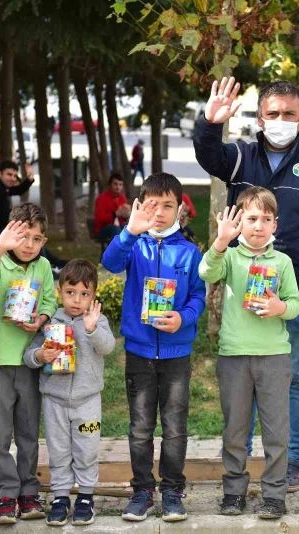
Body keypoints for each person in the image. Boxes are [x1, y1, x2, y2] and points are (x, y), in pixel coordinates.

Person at [194, 76, 299, 491]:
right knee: (243, 373)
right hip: (242, 284)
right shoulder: (240, 159)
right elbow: (208, 155)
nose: (280, 121)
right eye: (272, 114)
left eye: (289, 114)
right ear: (259, 117)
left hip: (296, 287)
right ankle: (240, 458)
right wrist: (210, 122)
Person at [101, 172, 206, 523]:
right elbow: (110, 263)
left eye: (168, 206)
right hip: (140, 353)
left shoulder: (190, 252)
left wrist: (184, 318)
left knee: (175, 427)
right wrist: (130, 230)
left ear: (180, 210)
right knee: (141, 427)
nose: (159, 212)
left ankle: (173, 490)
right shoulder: (135, 245)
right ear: (139, 206)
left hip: (177, 353)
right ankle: (142, 490)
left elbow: (197, 296)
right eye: (151, 205)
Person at [199, 187, 299, 520]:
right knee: (235, 429)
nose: (258, 226)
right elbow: (206, 273)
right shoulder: (229, 256)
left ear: (276, 224)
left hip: (274, 356)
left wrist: (279, 306)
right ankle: (233, 491)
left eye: (265, 219)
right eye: (251, 218)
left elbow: (296, 305)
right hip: (234, 355)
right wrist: (220, 242)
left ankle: (274, 494)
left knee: (276, 431)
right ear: (240, 222)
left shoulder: (282, 261)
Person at [0, 202, 57, 524]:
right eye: (23, 237)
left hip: (30, 360)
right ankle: (3, 495)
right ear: (10, 233)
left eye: (37, 239)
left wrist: (41, 319)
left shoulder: (44, 268)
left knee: (27, 430)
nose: (29, 245)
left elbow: (50, 299)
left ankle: (28, 491)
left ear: (44, 242)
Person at [23, 259, 115, 526]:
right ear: (59, 292)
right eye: (70, 292)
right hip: (54, 401)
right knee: (59, 450)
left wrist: (92, 329)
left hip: (88, 403)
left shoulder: (98, 321)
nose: (77, 299)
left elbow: (108, 347)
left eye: (84, 294)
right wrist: (41, 355)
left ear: (93, 295)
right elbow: (29, 356)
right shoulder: (51, 322)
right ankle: (61, 496)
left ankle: (86, 496)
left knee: (87, 449)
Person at [93, 171, 131, 239]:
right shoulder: (101, 199)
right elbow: (100, 218)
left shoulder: (122, 198)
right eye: (115, 184)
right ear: (110, 185)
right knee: (116, 230)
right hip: (102, 229)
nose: (118, 187)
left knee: (133, 229)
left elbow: (123, 219)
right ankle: (116, 249)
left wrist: (127, 215)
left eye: (120, 185)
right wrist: (115, 214)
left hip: (118, 227)